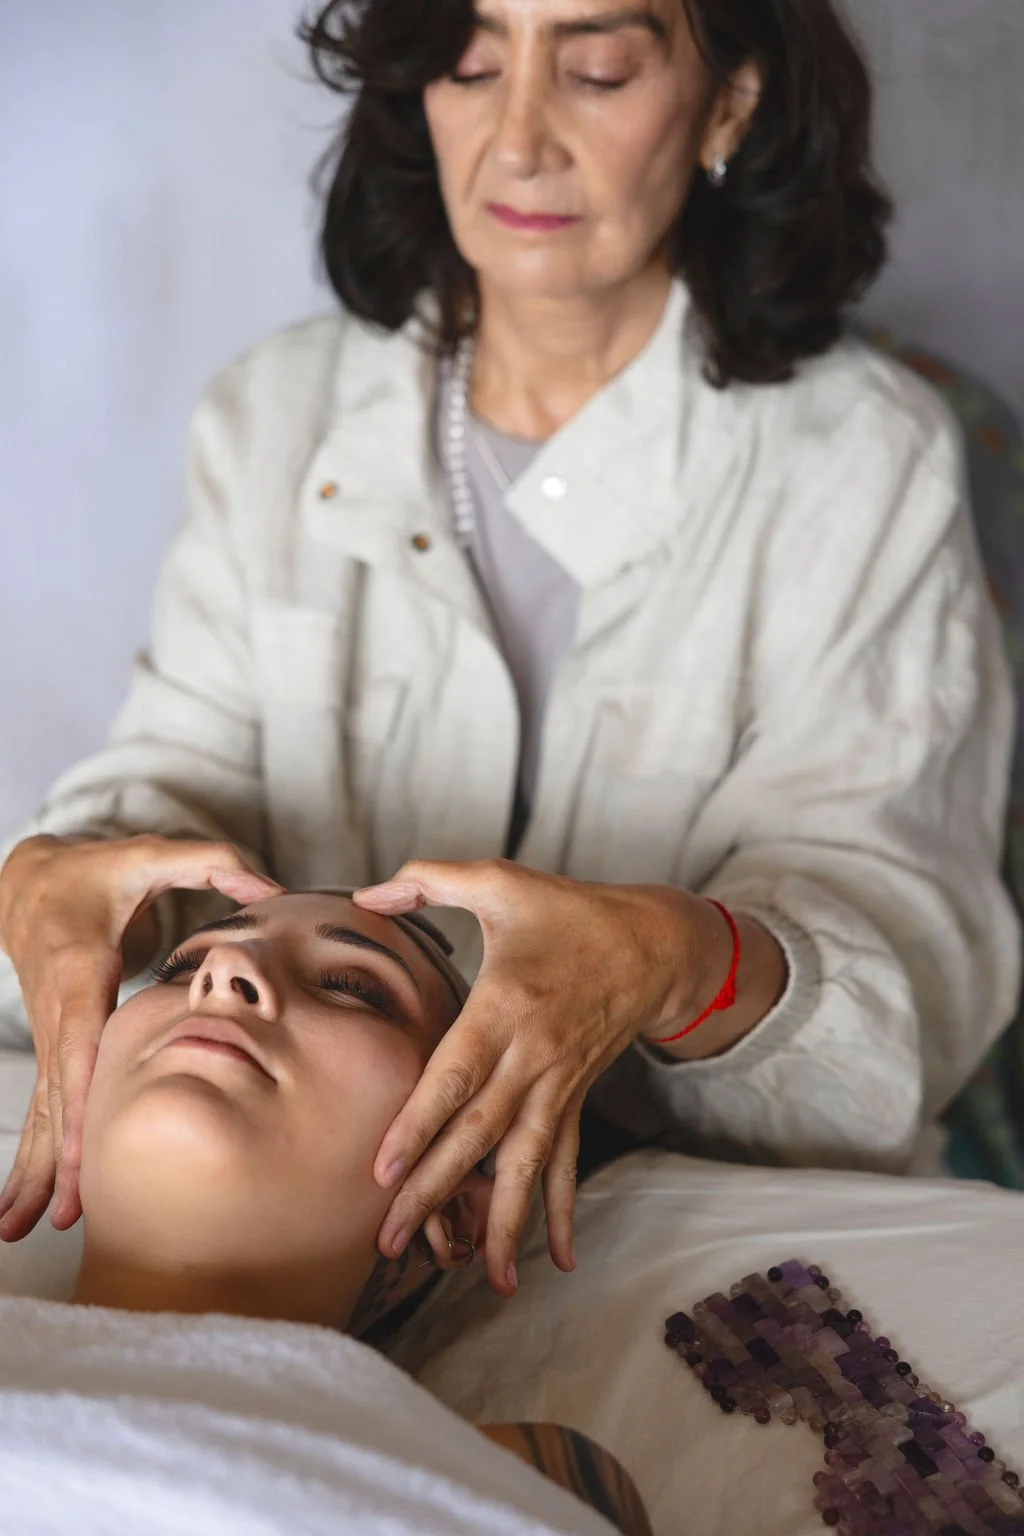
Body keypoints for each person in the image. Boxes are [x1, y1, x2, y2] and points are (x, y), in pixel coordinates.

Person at [0, 0, 1018, 1301]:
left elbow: (901, 1003)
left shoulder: (867, 464)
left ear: (731, 101)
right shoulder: (274, 418)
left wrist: (672, 957)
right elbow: (173, 790)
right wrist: (56, 876)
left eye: (596, 67)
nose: (519, 141)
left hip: (677, 1221)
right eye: (470, 66)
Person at [0, 888, 651, 1536]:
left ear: (453, 1213)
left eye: (352, 988)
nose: (223, 971)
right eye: (181, 967)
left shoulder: (521, 1474)